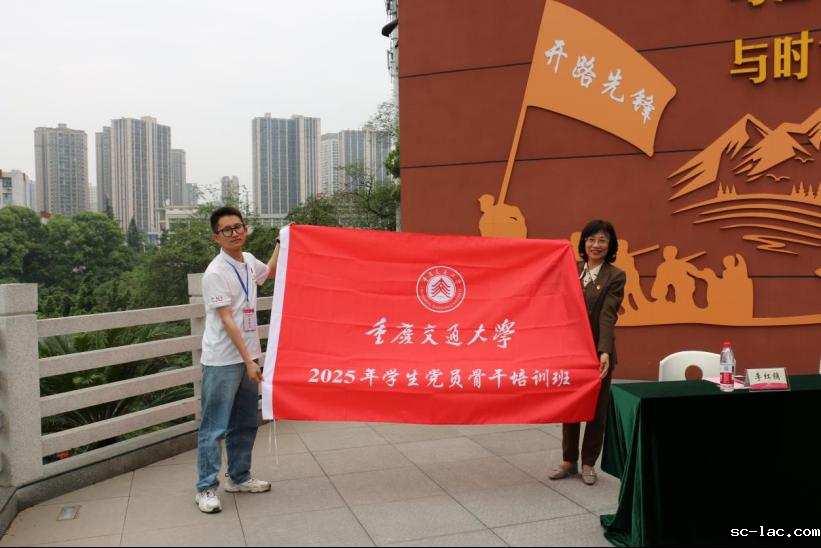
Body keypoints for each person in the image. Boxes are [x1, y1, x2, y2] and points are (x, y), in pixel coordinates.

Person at [195, 206, 280, 513]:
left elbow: (269, 273)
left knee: (244, 421)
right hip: (224, 360)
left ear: (245, 229)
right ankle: (206, 488)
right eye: (227, 230)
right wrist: (248, 361)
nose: (234, 233)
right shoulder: (215, 272)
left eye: (238, 227)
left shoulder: (249, 261)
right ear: (216, 237)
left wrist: (282, 241)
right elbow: (227, 319)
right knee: (214, 426)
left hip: (249, 357)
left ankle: (239, 477)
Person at [549, 220, 625, 486]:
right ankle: (568, 461)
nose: (596, 245)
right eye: (591, 239)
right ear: (583, 243)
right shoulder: (571, 269)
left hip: (597, 353)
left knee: (596, 409)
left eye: (602, 240)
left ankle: (589, 463)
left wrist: (604, 350)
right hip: (570, 351)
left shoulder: (615, 276)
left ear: (610, 246)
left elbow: (608, 315)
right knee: (570, 407)